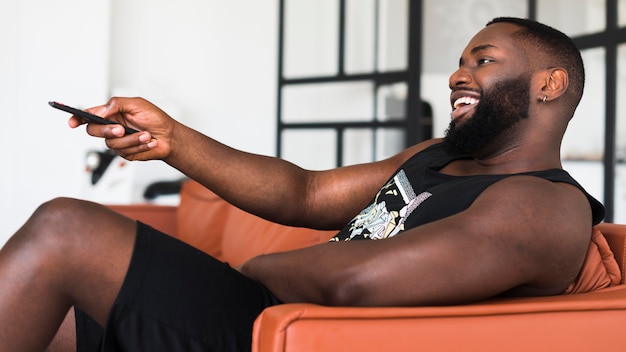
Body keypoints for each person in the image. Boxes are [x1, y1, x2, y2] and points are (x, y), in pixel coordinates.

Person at [0, 17, 607, 351]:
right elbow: (306, 194)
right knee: (48, 317)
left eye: (484, 60)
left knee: (65, 228)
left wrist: (256, 269)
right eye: (463, 60)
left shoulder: (543, 205)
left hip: (287, 330)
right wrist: (173, 141)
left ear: (549, 85)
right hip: (272, 311)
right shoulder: (437, 156)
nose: (457, 74)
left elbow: (358, 280)